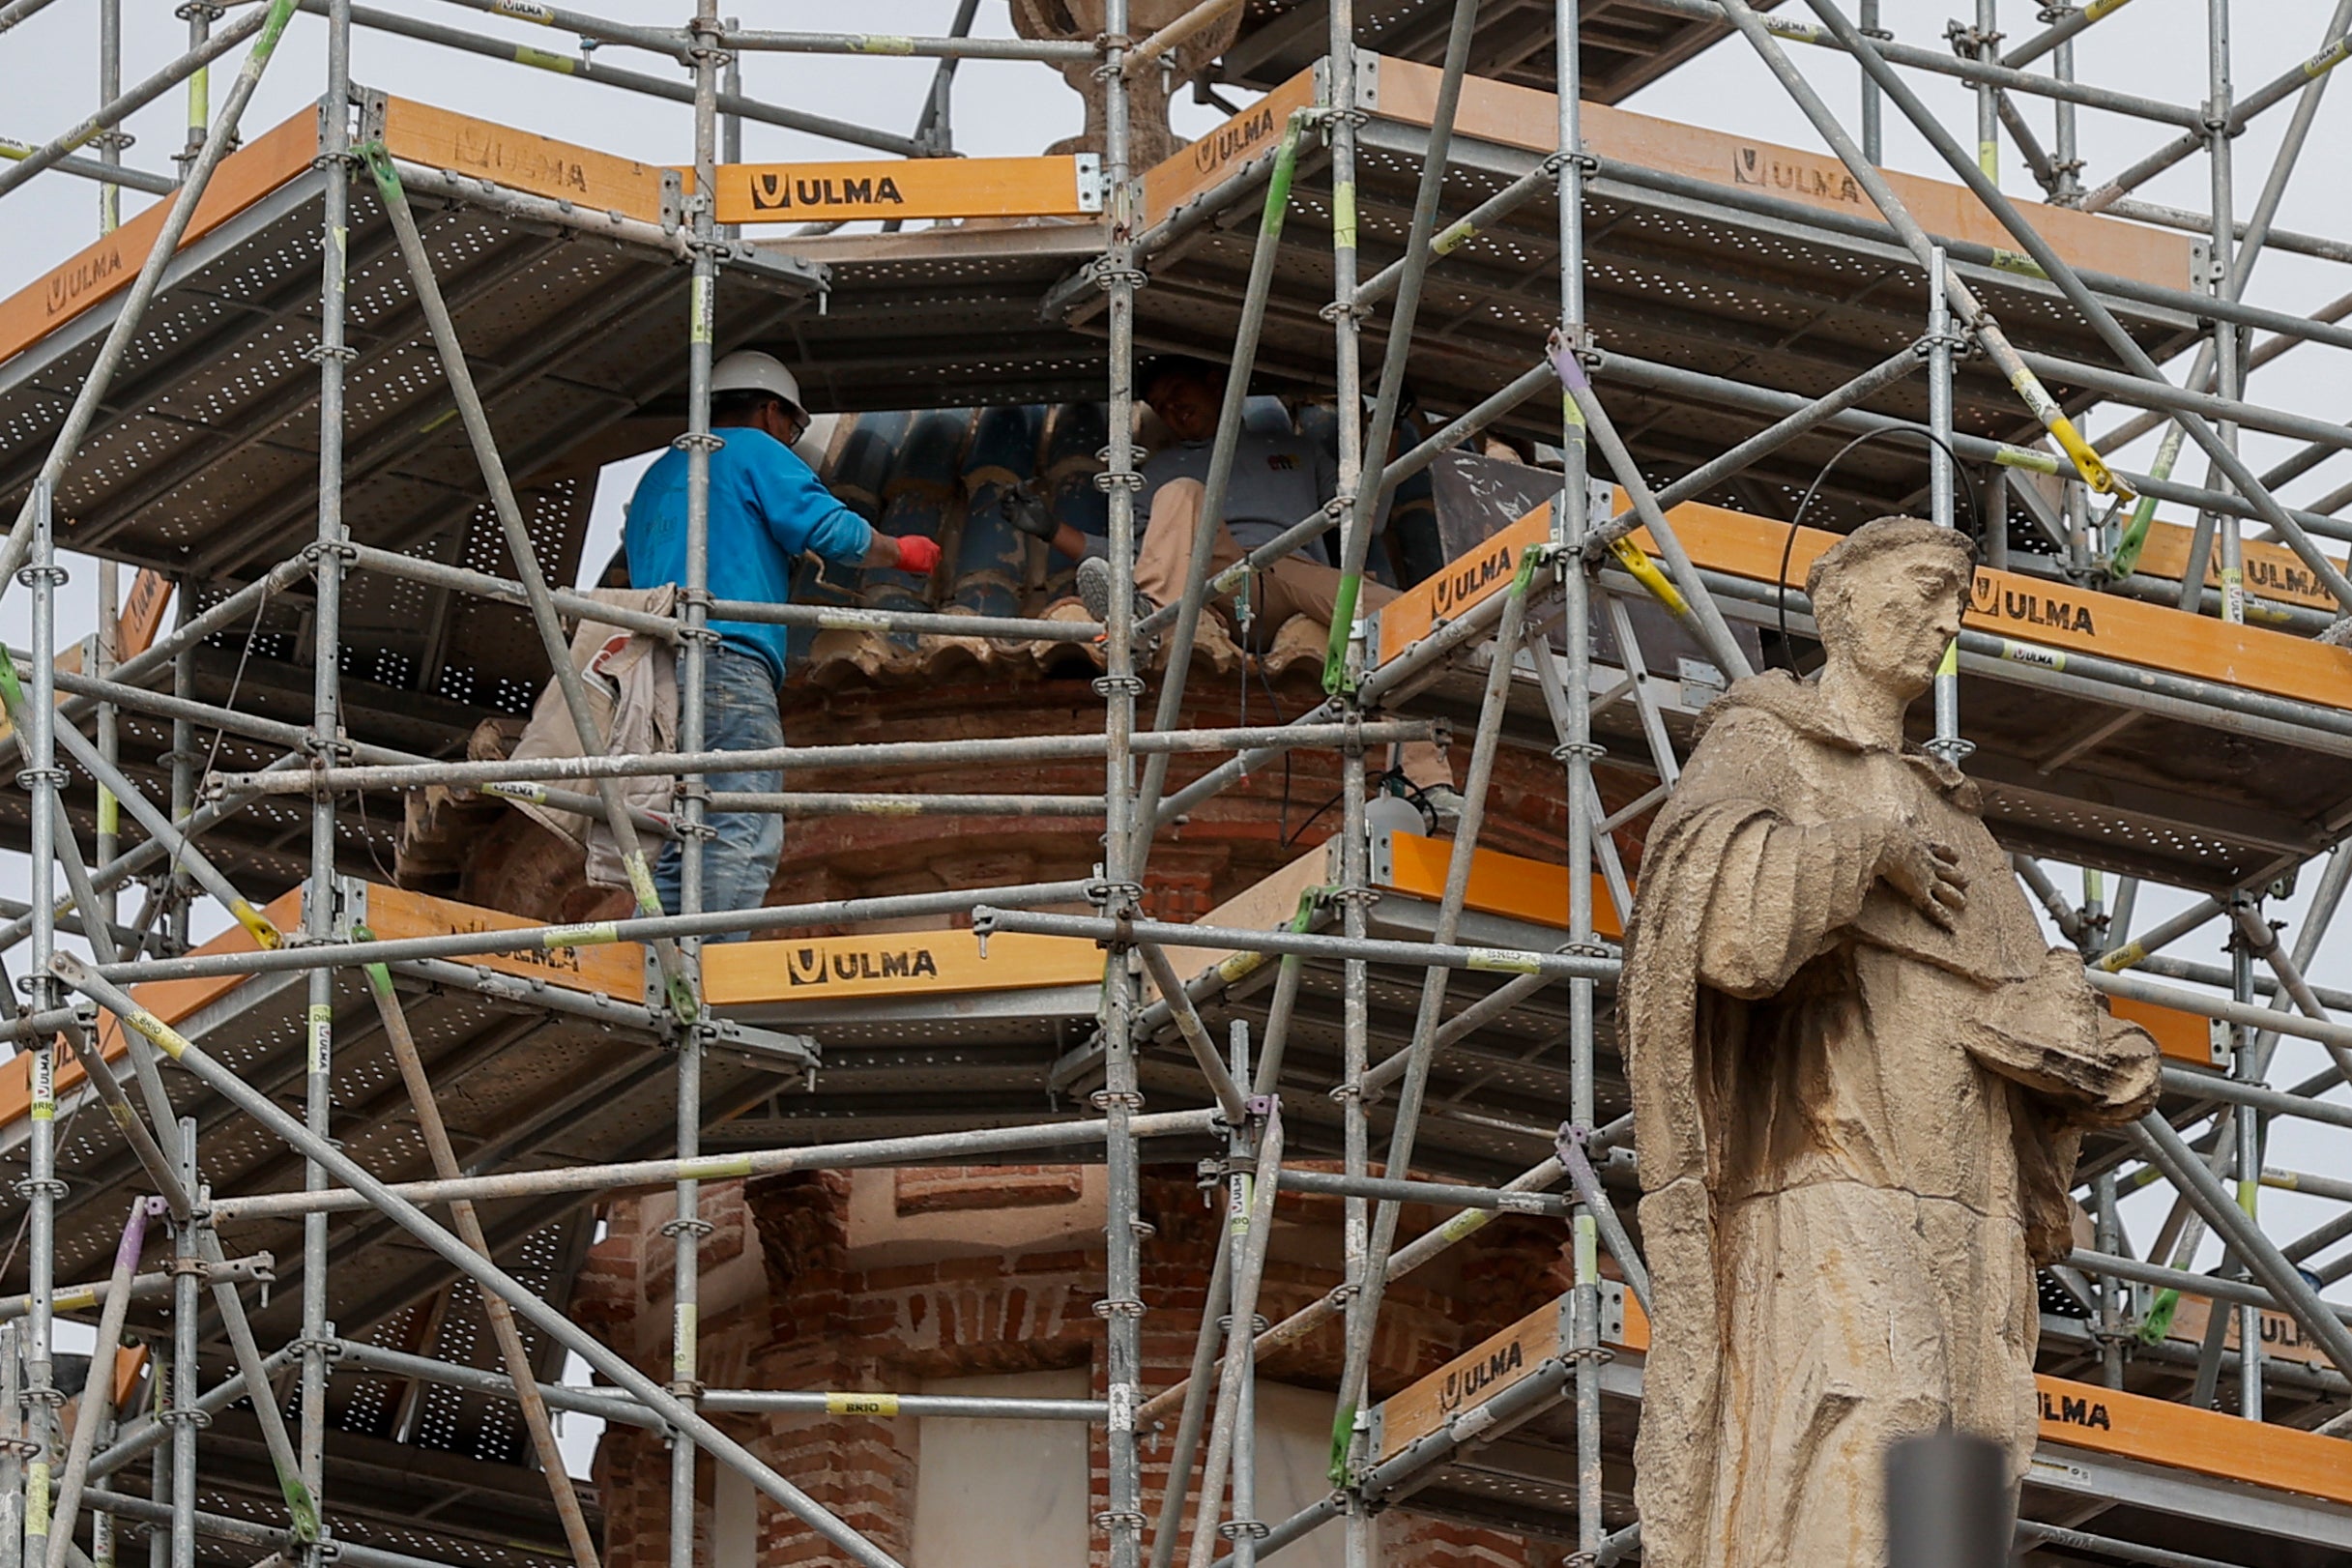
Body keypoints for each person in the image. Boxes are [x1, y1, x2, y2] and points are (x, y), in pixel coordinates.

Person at [1620, 517, 2160, 1568]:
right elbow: (1717, 920)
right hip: (1828, 1160)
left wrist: (2092, 1050)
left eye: (1957, 601)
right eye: (1922, 591)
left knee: (1968, 1448)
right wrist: (1864, 852)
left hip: (1970, 1192)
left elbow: (2030, 993)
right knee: (1875, 1403)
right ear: (1840, 605)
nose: (1945, 622)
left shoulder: (1958, 820)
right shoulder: (1765, 743)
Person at [1049, 357, 1460, 825]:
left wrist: (1387, 427)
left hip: (1289, 570)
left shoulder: (1293, 449)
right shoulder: (1155, 474)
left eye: (1177, 393)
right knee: (1182, 492)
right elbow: (1135, 553)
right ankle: (1150, 624)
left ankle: (1429, 784)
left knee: (1400, 620)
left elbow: (1365, 513)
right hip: (1214, 578)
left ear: (1215, 382)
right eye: (1161, 406)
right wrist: (1049, 529)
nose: (1172, 410)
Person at [624, 350, 940, 928]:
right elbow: (830, 530)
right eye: (793, 429)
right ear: (772, 411)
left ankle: (661, 955)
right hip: (728, 657)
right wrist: (903, 553)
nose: (790, 441)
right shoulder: (749, 450)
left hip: (657, 671)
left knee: (678, 826)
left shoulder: (659, 475)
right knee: (742, 818)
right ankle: (706, 963)